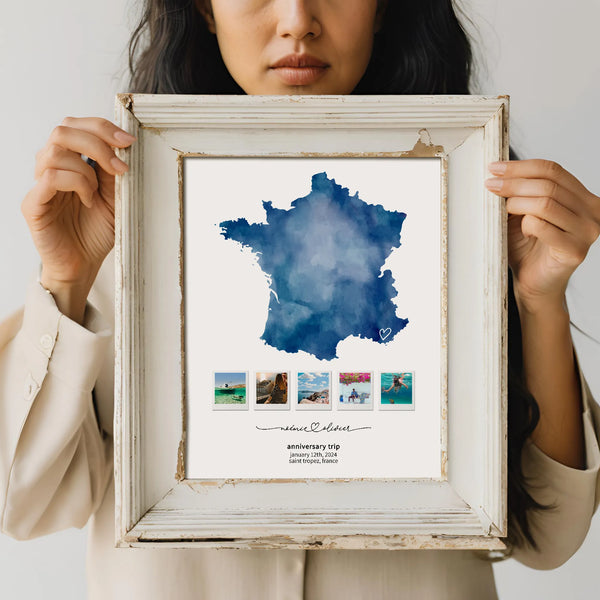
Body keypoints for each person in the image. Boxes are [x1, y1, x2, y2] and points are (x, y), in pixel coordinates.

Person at [1, 1, 600, 598]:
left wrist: (538, 298)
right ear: (205, 11)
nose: (296, 19)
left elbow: (550, 535)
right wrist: (66, 280)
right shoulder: (122, 225)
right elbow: (24, 506)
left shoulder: (470, 213)